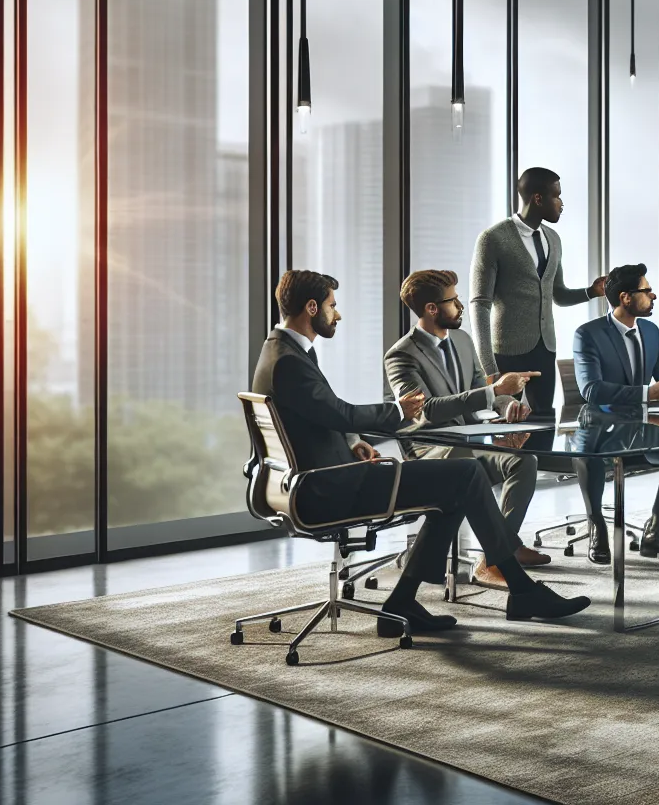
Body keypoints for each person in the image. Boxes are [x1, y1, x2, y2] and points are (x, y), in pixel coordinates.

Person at [252, 270, 589, 628]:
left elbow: (324, 414)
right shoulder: (290, 361)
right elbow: (340, 412)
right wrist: (399, 411)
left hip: (324, 477)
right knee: (464, 475)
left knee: (458, 486)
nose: (338, 314)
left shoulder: (280, 352)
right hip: (329, 488)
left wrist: (354, 442)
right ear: (311, 307)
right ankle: (520, 588)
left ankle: (403, 603)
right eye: (333, 306)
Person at [384, 269, 554, 589]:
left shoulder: (462, 340)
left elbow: (479, 390)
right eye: (453, 300)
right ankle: (501, 554)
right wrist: (494, 391)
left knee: (523, 460)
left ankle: (500, 551)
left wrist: (507, 407)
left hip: (470, 441)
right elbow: (427, 410)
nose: (460, 306)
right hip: (430, 450)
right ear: (432, 309)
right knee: (466, 460)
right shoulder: (401, 356)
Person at [570, 262, 659, 564]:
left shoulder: (651, 331)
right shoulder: (588, 334)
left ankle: (657, 528)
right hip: (601, 431)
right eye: (646, 291)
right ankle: (596, 524)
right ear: (626, 297)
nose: (652, 296)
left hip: (642, 430)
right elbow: (591, 390)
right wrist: (648, 394)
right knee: (587, 451)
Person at [469, 167, 608, 416]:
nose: (561, 203)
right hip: (507, 354)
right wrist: (489, 368)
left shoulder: (553, 239)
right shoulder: (493, 239)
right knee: (507, 427)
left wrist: (591, 291)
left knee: (544, 421)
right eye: (557, 196)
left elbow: (558, 294)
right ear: (538, 198)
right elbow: (480, 304)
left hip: (545, 350)